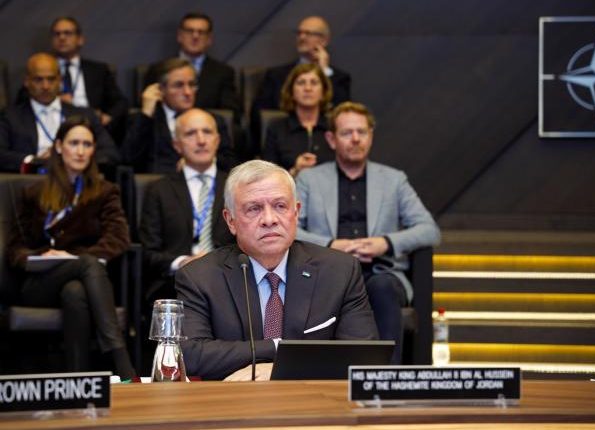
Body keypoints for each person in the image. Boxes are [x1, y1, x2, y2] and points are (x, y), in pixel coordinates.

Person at [176, 160, 378, 380]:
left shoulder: (339, 271)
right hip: (234, 398)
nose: (269, 220)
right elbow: (190, 355)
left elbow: (363, 357)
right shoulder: (199, 277)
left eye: (280, 206)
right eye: (254, 209)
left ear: (296, 212)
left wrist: (279, 369)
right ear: (230, 220)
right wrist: (275, 347)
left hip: (313, 398)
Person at [295, 102, 441, 364]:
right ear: (331, 139)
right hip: (327, 273)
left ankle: (385, 377)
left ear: (371, 136)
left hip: (381, 272)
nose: (355, 139)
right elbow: (289, 228)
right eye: (346, 132)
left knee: (382, 286)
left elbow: (429, 230)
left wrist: (385, 242)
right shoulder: (310, 180)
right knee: (321, 290)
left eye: (361, 132)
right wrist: (331, 245)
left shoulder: (394, 180)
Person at [7, 115, 135, 379]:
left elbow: (118, 238)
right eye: (74, 143)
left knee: (75, 292)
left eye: (87, 145)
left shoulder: (104, 191)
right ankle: (121, 359)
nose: (80, 151)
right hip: (40, 282)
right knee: (86, 263)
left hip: (84, 282)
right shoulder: (32, 192)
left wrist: (71, 257)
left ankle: (77, 380)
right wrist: (42, 256)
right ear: (58, 146)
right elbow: (15, 248)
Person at [139, 108, 235, 304]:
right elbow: (148, 253)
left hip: (229, 279)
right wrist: (183, 262)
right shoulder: (159, 190)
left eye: (207, 132)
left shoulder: (236, 187)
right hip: (174, 284)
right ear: (177, 145)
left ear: (217, 140)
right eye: (191, 133)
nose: (201, 140)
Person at [0, 53, 120, 174]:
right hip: (32, 179)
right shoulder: (10, 117)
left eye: (51, 79)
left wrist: (72, 160)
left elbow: (110, 153)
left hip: (76, 177)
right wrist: (35, 161)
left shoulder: (85, 115)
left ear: (60, 80)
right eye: (38, 80)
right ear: (26, 81)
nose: (45, 86)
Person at [251, 16, 351, 152]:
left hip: (325, 143)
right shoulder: (276, 75)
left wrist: (324, 72)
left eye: (308, 33)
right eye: (299, 33)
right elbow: (259, 114)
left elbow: (342, 113)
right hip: (286, 141)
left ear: (324, 40)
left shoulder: (339, 78)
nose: (302, 37)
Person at [122, 58, 236, 173]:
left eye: (191, 84)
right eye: (178, 85)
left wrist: (204, 161)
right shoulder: (145, 121)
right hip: (157, 182)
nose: (187, 92)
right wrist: (146, 114)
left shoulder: (212, 120)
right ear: (161, 89)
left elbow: (229, 163)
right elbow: (128, 159)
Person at [143, 12, 239, 114]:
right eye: (189, 31)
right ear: (179, 36)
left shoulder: (223, 73)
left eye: (201, 32)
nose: (195, 36)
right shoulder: (158, 70)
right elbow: (147, 107)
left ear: (209, 39)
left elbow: (229, 113)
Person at [262, 63, 335, 176]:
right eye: (301, 83)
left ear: (323, 92)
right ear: (291, 92)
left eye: (314, 83)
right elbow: (267, 176)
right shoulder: (276, 128)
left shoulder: (334, 127)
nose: (308, 88)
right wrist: (295, 171)